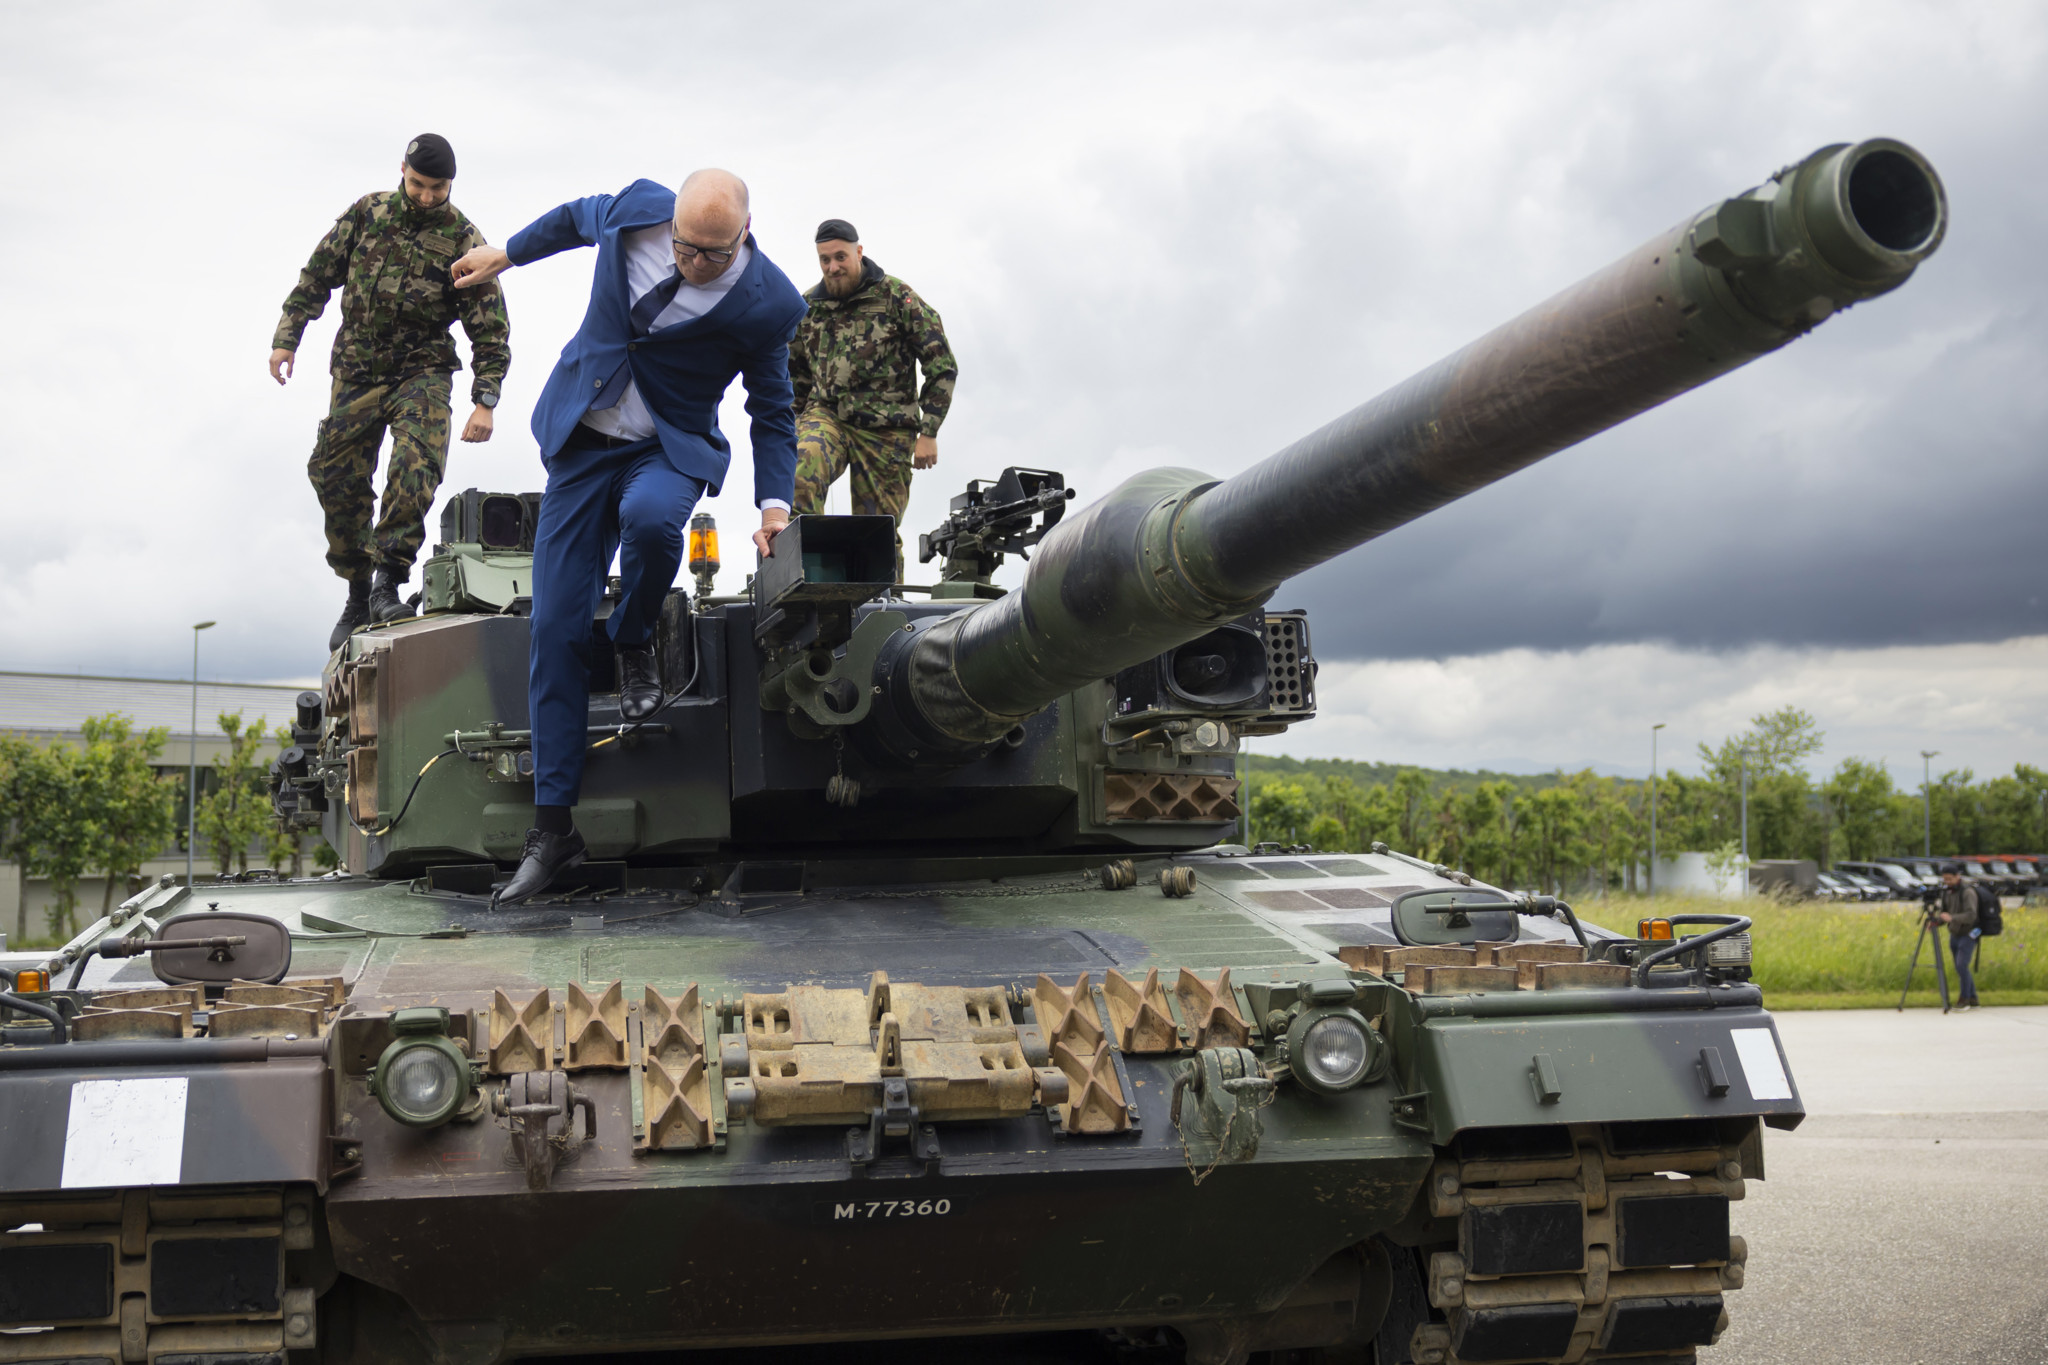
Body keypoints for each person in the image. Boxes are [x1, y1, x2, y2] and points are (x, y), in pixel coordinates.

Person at [450, 169, 805, 906]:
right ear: (670, 223)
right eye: (683, 247)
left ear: (744, 234)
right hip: (583, 443)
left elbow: (772, 407)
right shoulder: (636, 211)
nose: (692, 263)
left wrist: (775, 507)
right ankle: (554, 831)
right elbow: (574, 217)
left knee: (650, 522)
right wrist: (505, 254)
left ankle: (636, 633)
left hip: (665, 450)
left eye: (711, 254)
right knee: (555, 627)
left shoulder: (769, 302)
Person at [271, 134, 512, 652]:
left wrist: (485, 400)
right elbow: (317, 275)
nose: (426, 196)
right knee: (334, 476)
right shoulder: (368, 214)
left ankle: (388, 582)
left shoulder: (464, 239)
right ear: (402, 170)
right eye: (418, 184)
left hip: (422, 372)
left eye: (438, 187)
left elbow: (490, 330)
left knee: (414, 464)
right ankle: (358, 590)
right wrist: (287, 337)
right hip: (356, 370)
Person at [788, 219, 957, 578]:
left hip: (886, 428)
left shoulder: (897, 297)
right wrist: (789, 427)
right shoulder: (808, 307)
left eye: (840, 257)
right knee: (800, 470)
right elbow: (796, 375)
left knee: (877, 531)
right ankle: (803, 579)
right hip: (827, 417)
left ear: (859, 253)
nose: (833, 267)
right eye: (824, 260)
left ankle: (883, 603)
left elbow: (941, 364)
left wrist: (928, 431)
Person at [1934, 862, 1982, 1010]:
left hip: (1969, 933)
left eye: (1950, 879)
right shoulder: (1947, 892)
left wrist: (1952, 918)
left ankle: (1964, 998)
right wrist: (1936, 922)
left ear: (1957, 876)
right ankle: (1973, 999)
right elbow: (1944, 913)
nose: (1947, 882)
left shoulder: (1967, 892)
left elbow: (1971, 915)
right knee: (1959, 967)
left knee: (1962, 965)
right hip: (1954, 933)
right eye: (1945, 879)